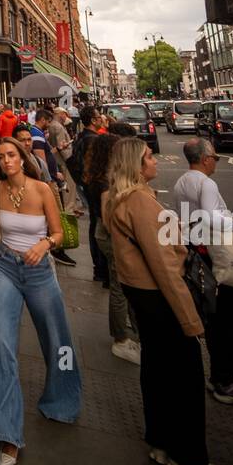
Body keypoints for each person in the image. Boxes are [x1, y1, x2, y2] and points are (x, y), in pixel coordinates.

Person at [103, 138, 229, 465]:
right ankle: (189, 459)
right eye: (148, 157)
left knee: (156, 370)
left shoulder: (118, 198)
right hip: (159, 297)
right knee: (186, 379)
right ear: (136, 166)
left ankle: (160, 442)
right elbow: (164, 266)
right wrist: (191, 321)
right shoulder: (141, 202)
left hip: (141, 296)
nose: (155, 161)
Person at [0, 137, 82, 465]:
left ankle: (62, 400)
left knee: (57, 341)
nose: (6, 161)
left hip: (38, 273)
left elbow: (60, 232)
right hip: (6, 267)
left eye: (11, 155)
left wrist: (46, 244)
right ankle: (8, 434)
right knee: (4, 347)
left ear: (22, 157)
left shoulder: (42, 190)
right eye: (1, 156)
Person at [172, 139, 233, 407]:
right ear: (205, 158)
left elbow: (187, 219)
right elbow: (212, 218)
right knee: (232, 321)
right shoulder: (206, 183)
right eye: (215, 157)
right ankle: (225, 380)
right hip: (215, 256)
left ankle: (218, 376)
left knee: (214, 318)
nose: (217, 161)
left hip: (196, 254)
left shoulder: (181, 183)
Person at [86, 133, 141, 363]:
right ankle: (121, 338)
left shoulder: (96, 176)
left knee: (121, 285)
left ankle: (130, 333)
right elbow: (108, 218)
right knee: (120, 287)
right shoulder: (104, 182)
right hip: (110, 235)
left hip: (104, 233)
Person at [11, 124, 76, 267]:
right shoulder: (8, 164)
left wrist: (56, 210)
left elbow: (49, 185)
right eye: (22, 140)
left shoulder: (38, 162)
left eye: (29, 139)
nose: (27, 143)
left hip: (37, 218)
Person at [69, 106, 107, 284]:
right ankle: (100, 267)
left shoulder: (81, 137)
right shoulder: (93, 140)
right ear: (93, 120)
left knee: (95, 224)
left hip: (87, 187)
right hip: (95, 188)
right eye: (99, 116)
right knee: (98, 225)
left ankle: (98, 267)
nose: (101, 118)